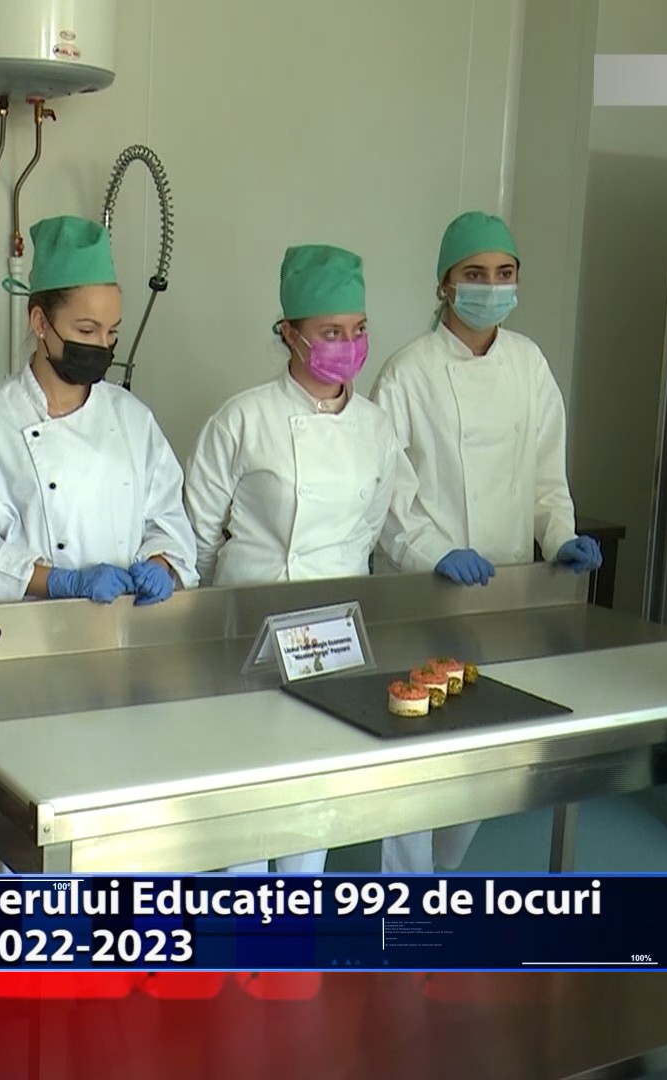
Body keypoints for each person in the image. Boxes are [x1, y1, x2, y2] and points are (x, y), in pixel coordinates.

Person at [183, 244, 462, 874]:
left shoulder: (376, 427)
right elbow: (196, 537)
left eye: (358, 330)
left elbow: (384, 527)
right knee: (250, 813)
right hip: (250, 632)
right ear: (290, 333)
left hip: (338, 634)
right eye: (331, 332)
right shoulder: (243, 419)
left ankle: (294, 928)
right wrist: (198, 633)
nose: (349, 344)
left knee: (313, 807)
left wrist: (441, 556)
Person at [371, 210, 602, 874]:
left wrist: (560, 537)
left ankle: (438, 880)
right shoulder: (407, 372)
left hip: (505, 591)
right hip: (422, 590)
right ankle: (405, 903)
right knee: (418, 750)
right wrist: (429, 551)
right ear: (444, 284)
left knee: (483, 752)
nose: (491, 286)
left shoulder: (529, 364)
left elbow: (546, 477)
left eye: (504, 273)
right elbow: (386, 490)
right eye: (474, 273)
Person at [0, 215, 199, 604]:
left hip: (125, 623)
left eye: (112, 332)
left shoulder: (132, 419)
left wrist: (161, 564)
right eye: (87, 331)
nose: (102, 346)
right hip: (32, 627)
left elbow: (168, 520)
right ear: (40, 322)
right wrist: (62, 582)